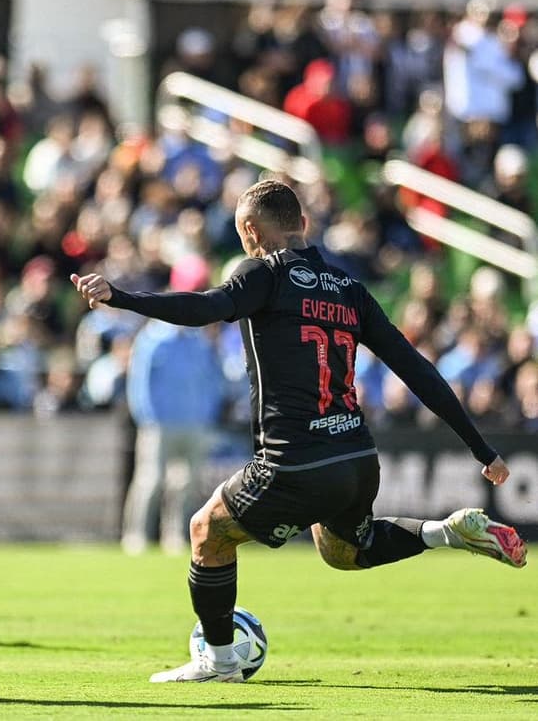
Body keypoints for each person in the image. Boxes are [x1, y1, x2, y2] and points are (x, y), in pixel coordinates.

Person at [70, 178, 526, 684]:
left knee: (206, 532)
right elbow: (416, 369)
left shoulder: (263, 275)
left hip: (293, 460)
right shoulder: (351, 291)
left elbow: (203, 309)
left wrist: (122, 297)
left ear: (248, 231)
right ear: (303, 226)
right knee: (343, 551)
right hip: (356, 457)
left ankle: (219, 661)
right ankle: (447, 531)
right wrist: (482, 450)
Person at [121, 255, 226, 555]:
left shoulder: (200, 340)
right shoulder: (153, 338)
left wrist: (208, 413)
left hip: (195, 422)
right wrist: (148, 417)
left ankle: (174, 537)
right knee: (150, 481)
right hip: (160, 422)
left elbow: (213, 380)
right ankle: (136, 536)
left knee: (187, 486)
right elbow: (139, 384)